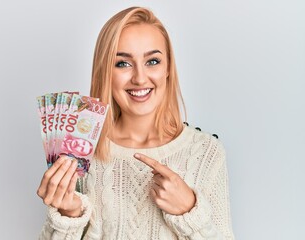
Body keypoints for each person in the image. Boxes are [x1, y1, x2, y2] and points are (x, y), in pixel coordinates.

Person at [37, 6, 234, 239]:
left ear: (168, 68)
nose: (140, 78)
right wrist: (68, 216)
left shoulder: (206, 152)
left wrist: (189, 211)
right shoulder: (79, 152)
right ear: (105, 72)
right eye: (123, 63)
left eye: (152, 61)